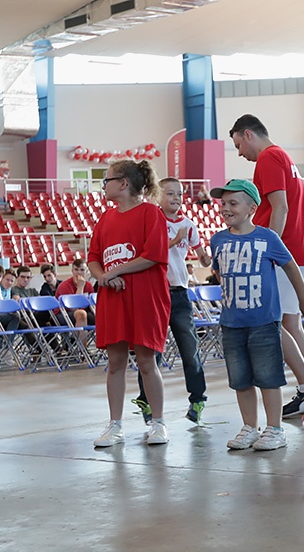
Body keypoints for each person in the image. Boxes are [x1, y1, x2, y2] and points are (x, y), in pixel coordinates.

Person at [229, 114, 304, 418]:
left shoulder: (269, 158)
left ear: (248, 134)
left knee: (276, 324)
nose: (240, 153)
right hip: (299, 248)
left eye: (238, 145)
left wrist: (271, 248)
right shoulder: (283, 156)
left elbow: (279, 206)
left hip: (285, 250)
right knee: (291, 323)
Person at [210, 179, 304, 450]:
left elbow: (290, 266)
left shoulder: (267, 237)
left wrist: (303, 298)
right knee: (241, 380)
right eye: (223, 203)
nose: (226, 208)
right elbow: (219, 271)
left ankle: (275, 428)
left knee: (269, 377)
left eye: (233, 203)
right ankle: (249, 426)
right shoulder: (218, 239)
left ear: (252, 207)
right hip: (232, 322)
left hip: (264, 322)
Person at [87, 159, 171, 447]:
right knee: (115, 362)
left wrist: (116, 271)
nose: (104, 186)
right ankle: (115, 425)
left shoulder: (151, 213)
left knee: (147, 360)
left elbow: (153, 254)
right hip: (114, 296)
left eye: (107, 180)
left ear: (123, 183)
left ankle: (158, 423)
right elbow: (93, 259)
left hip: (145, 296)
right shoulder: (105, 220)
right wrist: (105, 278)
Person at [132, 177, 212, 424]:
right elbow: (149, 251)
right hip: (155, 294)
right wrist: (175, 241)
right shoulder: (151, 220)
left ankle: (197, 399)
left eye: (179, 194)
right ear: (158, 196)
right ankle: (146, 401)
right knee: (151, 352)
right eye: (170, 194)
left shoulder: (189, 224)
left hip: (179, 294)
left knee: (190, 349)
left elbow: (201, 257)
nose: (176, 198)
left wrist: (207, 259)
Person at [55, 258, 96, 327]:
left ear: (86, 271)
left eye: (82, 270)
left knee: (102, 315)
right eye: (76, 270)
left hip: (83, 312)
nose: (79, 272)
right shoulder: (65, 286)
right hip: (63, 313)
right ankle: (81, 338)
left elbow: (92, 305)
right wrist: (80, 287)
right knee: (81, 314)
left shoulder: (88, 285)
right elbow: (74, 307)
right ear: (72, 271)